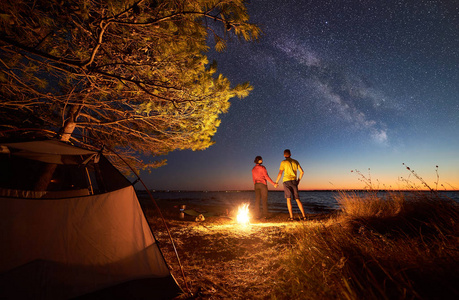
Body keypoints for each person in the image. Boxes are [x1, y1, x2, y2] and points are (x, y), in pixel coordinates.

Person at [275, 149, 307, 221]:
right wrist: (298, 180)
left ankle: (291, 217)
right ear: (290, 154)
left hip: (286, 181)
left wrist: (276, 182)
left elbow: (280, 173)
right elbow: (302, 172)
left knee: (288, 199)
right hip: (294, 181)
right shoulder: (295, 161)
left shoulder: (283, 162)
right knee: (297, 199)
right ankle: (304, 216)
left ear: (284, 155)